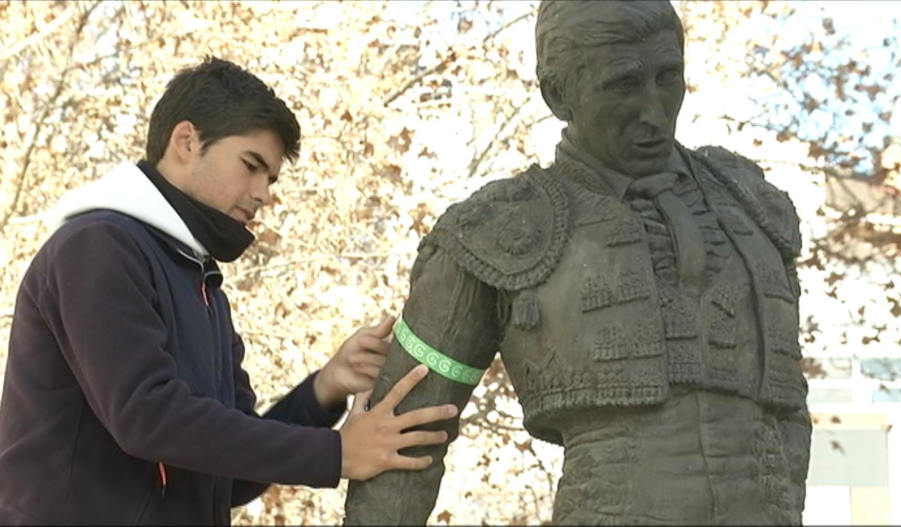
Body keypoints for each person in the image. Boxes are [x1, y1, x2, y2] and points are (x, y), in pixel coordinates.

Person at [344, 1, 811, 525]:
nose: (654, 110)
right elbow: (406, 437)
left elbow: (789, 410)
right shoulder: (495, 228)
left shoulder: (749, 206)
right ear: (558, 94)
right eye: (624, 84)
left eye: (668, 77)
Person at [0, 56, 456, 525]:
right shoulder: (97, 245)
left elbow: (230, 475)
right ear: (186, 141)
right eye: (252, 165)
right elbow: (146, 417)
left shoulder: (204, 288)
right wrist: (337, 453)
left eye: (271, 178)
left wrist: (325, 389)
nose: (263, 193)